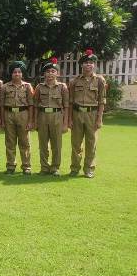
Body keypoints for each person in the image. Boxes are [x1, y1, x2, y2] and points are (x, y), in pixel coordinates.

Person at [69, 48, 106, 178]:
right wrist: (69, 119)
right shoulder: (74, 81)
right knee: (76, 143)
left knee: (91, 143)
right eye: (85, 62)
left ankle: (89, 169)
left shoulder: (100, 80)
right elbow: (70, 102)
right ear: (81, 65)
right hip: (77, 113)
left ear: (94, 65)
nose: (88, 65)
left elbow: (102, 101)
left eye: (90, 62)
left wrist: (99, 118)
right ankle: (74, 168)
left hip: (92, 114)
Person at [33, 57, 69, 176]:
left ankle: (55, 168)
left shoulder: (62, 87)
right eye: (48, 72)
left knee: (56, 144)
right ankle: (44, 167)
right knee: (43, 144)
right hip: (42, 116)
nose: (50, 74)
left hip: (57, 116)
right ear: (44, 74)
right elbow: (35, 105)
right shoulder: (39, 87)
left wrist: (65, 123)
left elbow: (66, 106)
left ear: (57, 73)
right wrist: (35, 121)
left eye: (53, 71)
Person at [0, 61, 34, 175]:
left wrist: (30, 121)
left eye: (19, 72)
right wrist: (3, 120)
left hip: (23, 113)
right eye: (14, 72)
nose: (17, 74)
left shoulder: (28, 86)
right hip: (9, 114)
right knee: (10, 142)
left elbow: (31, 104)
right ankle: (11, 165)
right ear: (11, 74)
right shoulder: (5, 87)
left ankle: (26, 166)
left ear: (22, 74)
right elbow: (1, 105)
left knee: (25, 142)